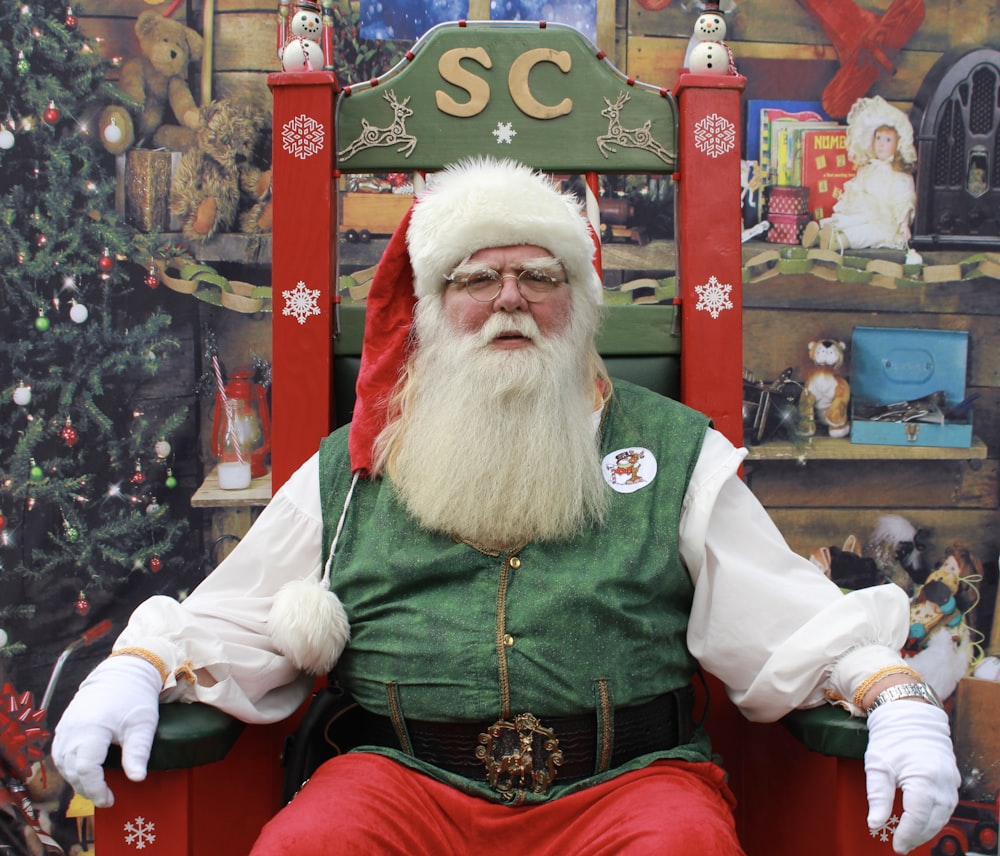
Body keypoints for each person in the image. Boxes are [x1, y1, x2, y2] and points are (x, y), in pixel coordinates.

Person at [52, 157, 959, 855]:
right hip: (399, 779)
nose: (510, 301)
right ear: (435, 307)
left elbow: (781, 617)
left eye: (541, 276)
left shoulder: (678, 453)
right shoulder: (355, 466)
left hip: (625, 784)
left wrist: (897, 696)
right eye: (476, 279)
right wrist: (142, 663)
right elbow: (240, 613)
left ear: (580, 301)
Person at [802, 94, 917, 254]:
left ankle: (839, 241)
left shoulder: (900, 175)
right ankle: (821, 234)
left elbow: (904, 200)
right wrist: (853, 202)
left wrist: (904, 224)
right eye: (878, 138)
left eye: (888, 140)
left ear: (899, 145)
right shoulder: (868, 169)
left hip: (885, 220)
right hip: (863, 211)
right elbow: (857, 187)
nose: (881, 144)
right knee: (850, 220)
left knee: (868, 232)